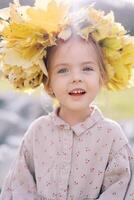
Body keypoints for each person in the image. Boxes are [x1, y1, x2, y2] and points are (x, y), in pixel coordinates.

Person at [0, 0, 134, 199]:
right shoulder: (37, 133)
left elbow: (121, 190)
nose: (76, 77)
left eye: (87, 68)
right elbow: (19, 186)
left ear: (102, 76)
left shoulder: (111, 136)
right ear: (48, 83)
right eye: (63, 70)